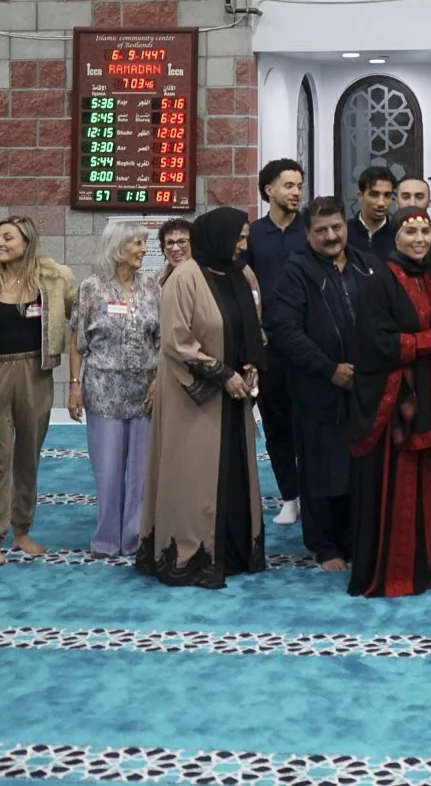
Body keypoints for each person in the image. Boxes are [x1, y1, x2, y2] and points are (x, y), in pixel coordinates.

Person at [138, 207, 265, 589]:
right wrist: (223, 374)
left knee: (234, 470)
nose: (244, 245)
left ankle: (234, 550)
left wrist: (251, 366)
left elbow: (253, 324)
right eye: (239, 237)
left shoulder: (242, 273)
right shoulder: (185, 277)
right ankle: (192, 555)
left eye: (245, 237)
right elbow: (177, 341)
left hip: (236, 394)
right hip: (194, 396)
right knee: (194, 475)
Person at [346, 208, 431, 597]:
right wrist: (430, 342)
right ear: (395, 237)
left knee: (427, 484)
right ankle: (393, 574)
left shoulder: (430, 279)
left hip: (428, 400)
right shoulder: (381, 282)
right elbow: (374, 344)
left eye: (425, 231)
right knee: (396, 485)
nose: (420, 239)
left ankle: (422, 569)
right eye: (411, 232)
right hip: (395, 408)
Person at [267, 195, 375, 569]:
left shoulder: (366, 265)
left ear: (347, 226)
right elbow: (284, 330)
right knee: (321, 470)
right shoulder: (295, 271)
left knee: (359, 470)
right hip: (318, 390)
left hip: (364, 391)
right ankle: (325, 545)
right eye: (321, 230)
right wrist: (329, 368)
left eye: (337, 228)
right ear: (307, 233)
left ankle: (356, 538)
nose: (331, 236)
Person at [0, 214, 78, 567]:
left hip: (36, 371)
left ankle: (21, 529)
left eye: (8, 238)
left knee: (28, 455)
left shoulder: (55, 277)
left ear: (27, 242)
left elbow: (78, 317)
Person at [68, 221, 160, 558]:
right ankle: (107, 540)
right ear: (117, 247)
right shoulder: (92, 287)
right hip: (103, 391)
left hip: (145, 393)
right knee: (107, 473)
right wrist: (74, 386)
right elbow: (77, 340)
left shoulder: (152, 287)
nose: (142, 249)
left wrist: (157, 382)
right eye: (136, 243)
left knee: (140, 473)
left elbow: (162, 341)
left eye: (143, 243)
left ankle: (135, 537)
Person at [246, 159, 308, 527]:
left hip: (308, 347)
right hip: (269, 348)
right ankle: (290, 496)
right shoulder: (252, 236)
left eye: (299, 185)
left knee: (311, 426)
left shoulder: (310, 232)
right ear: (269, 189)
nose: (296, 192)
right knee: (276, 425)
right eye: (289, 185)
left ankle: (315, 494)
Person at [350, 167, 399, 261]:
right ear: (360, 196)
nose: (381, 203)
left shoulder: (398, 235)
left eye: (387, 195)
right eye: (374, 194)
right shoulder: (345, 233)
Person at [395, 177, 431, 243]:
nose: (412, 203)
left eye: (419, 197)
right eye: (406, 197)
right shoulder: (382, 238)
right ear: (396, 202)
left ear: (429, 202)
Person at [156, 217, 191, 286]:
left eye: (182, 242)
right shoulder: (161, 275)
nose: (175, 248)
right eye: (170, 243)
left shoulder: (203, 276)